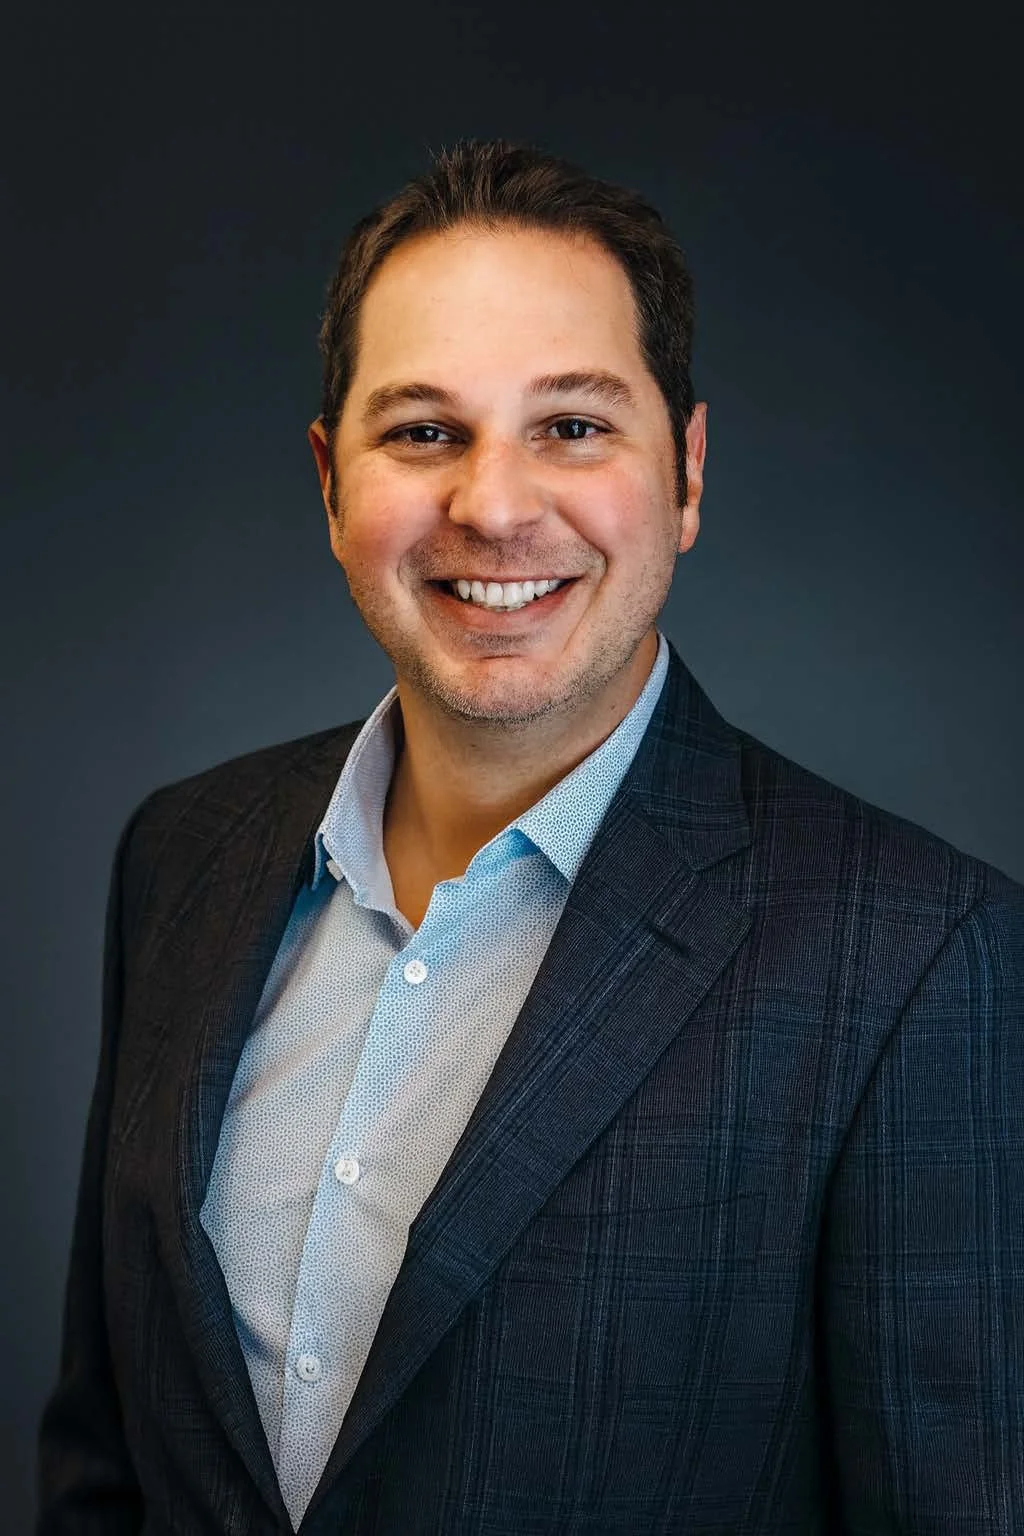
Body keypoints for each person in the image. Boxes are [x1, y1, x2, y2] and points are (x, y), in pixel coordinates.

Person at [37, 139, 1023, 1535]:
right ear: (331, 485)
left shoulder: (919, 958)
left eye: (572, 425)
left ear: (683, 473)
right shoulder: (181, 856)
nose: (494, 506)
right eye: (423, 430)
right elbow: (105, 1462)